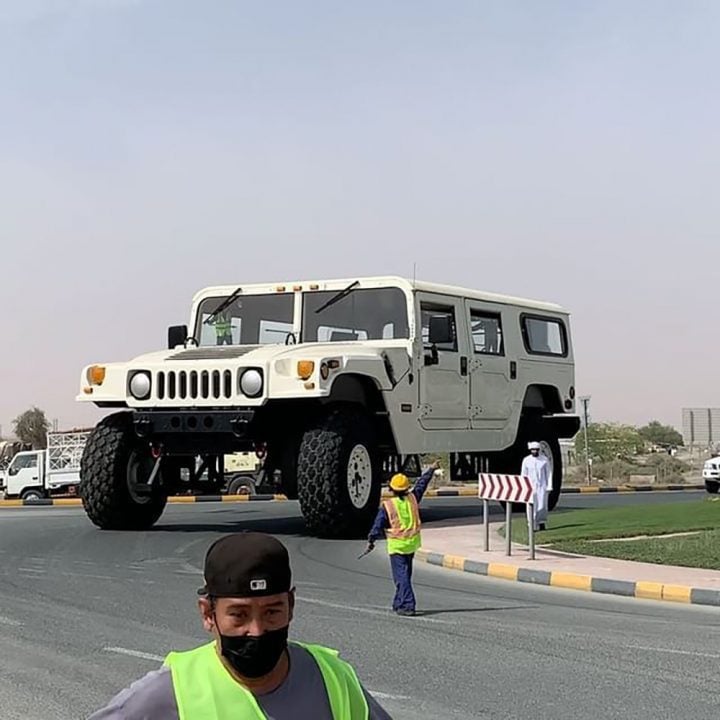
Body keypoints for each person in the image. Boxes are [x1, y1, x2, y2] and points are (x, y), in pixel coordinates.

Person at [89, 532, 392, 719]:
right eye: (239, 615)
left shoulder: (333, 678)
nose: (257, 630)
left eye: (272, 612)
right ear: (209, 614)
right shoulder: (170, 693)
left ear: (291, 606)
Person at [366, 461, 439, 616]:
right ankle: (398, 602)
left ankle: (407, 605)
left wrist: (371, 538)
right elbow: (421, 485)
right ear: (406, 488)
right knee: (405, 575)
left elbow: (378, 524)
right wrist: (431, 470)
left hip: (397, 547)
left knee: (401, 577)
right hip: (411, 544)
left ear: (391, 489)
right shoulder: (412, 499)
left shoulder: (388, 505)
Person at [521, 441, 552, 531]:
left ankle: (541, 522)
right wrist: (524, 487)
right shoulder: (526, 460)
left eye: (536, 450)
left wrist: (549, 486)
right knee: (531, 506)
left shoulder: (544, 460)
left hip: (542, 486)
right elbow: (523, 475)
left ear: (539, 450)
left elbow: (548, 473)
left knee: (542, 505)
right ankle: (531, 524)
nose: (534, 451)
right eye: (533, 450)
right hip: (530, 487)